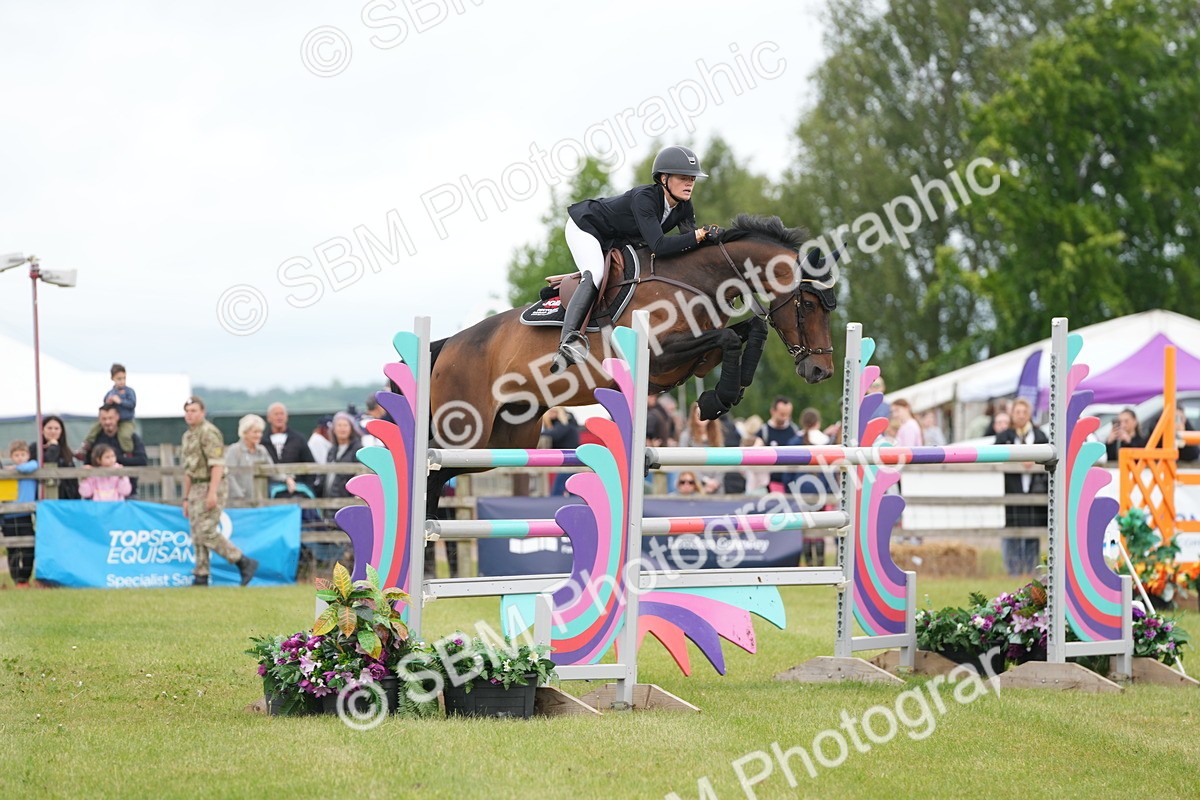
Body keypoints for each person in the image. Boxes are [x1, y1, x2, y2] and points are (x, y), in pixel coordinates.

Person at [551, 145, 720, 372]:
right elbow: (660, 246)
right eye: (683, 178)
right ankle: (568, 341)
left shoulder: (683, 206)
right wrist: (699, 235)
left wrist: (714, 240)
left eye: (692, 178)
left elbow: (688, 244)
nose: (690, 183)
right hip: (587, 227)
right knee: (596, 273)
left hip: (616, 239)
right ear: (664, 178)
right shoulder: (645, 198)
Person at [182, 396, 258, 587]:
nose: (189, 415)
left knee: (206, 530)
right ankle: (201, 574)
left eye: (194, 411)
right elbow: (188, 470)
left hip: (211, 483)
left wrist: (212, 492)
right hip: (196, 485)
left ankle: (242, 561)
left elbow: (217, 465)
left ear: (202, 412)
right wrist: (185, 497)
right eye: (187, 411)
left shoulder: (209, 432)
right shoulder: (188, 436)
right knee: (197, 531)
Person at [995, 398, 1048, 576]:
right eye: (1017, 412)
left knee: (1032, 530)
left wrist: (1033, 461)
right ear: (1012, 414)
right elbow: (996, 457)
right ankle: (1013, 571)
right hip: (1013, 489)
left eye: (1024, 412)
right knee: (1013, 527)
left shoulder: (1039, 436)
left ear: (1029, 414)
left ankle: (1031, 570)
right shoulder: (1005, 436)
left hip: (1035, 490)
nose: (1020, 415)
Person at [81, 404, 148, 496]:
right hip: (99, 494)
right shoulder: (94, 439)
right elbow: (87, 463)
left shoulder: (130, 438)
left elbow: (142, 461)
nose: (107, 422)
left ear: (117, 417)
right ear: (99, 419)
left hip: (127, 492)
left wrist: (112, 460)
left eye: (110, 418)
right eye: (104, 418)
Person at [80, 363, 138, 456]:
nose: (122, 381)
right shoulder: (111, 393)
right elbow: (105, 407)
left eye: (124, 378)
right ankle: (86, 446)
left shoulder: (129, 391)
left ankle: (128, 453)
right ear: (113, 378)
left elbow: (132, 404)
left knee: (124, 436)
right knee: (95, 428)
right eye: (119, 379)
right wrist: (109, 402)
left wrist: (120, 401)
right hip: (112, 420)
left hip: (126, 421)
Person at [2, 440, 39, 587]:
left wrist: (17, 468)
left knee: (29, 547)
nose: (19, 458)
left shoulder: (30, 468)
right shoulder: (7, 472)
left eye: (22, 454)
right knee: (13, 548)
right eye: (16, 455)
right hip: (9, 516)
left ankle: (25, 576)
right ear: (11, 456)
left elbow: (33, 465)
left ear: (28, 455)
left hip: (25, 514)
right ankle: (17, 578)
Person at [224, 414, 278, 501]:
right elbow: (228, 475)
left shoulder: (262, 450)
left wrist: (287, 478)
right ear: (245, 432)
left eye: (260, 432)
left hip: (260, 500)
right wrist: (239, 495)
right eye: (255, 432)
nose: (259, 435)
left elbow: (272, 471)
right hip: (238, 502)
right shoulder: (234, 450)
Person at [261, 402, 316, 489]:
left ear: (286, 417)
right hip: (270, 490)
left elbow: (311, 465)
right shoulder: (262, 442)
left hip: (297, 489)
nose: (279, 417)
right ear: (268, 418)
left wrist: (306, 487)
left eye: (282, 414)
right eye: (276, 414)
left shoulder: (299, 439)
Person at [678, 402, 726, 494]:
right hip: (694, 486)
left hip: (716, 487)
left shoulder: (717, 436)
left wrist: (716, 481)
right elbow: (684, 462)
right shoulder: (687, 437)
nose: (702, 417)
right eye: (698, 414)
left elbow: (722, 460)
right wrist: (704, 480)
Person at [764, 396, 801, 494]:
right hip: (770, 484)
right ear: (773, 411)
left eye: (788, 414)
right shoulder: (764, 432)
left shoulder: (795, 430)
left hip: (791, 483)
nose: (785, 418)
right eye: (782, 414)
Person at [540, 407, 581, 496]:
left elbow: (555, 434)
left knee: (558, 489)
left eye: (554, 411)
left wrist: (538, 433)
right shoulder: (560, 424)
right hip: (568, 459)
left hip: (569, 459)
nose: (551, 413)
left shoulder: (565, 424)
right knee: (571, 488)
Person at [321, 412, 362, 498]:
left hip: (348, 501)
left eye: (345, 425)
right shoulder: (332, 451)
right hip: (329, 501)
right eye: (339, 425)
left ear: (351, 429)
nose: (342, 429)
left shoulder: (358, 449)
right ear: (334, 429)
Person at [41, 415, 79, 500]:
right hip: (48, 498)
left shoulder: (66, 451)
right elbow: (49, 462)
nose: (53, 431)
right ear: (42, 430)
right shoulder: (36, 449)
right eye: (49, 428)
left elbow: (73, 480)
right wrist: (53, 446)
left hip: (68, 499)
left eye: (56, 428)